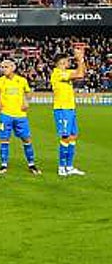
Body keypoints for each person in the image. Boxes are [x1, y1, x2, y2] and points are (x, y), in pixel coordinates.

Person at [0, 59, 40, 175]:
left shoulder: (22, 81)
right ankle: (3, 165)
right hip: (5, 115)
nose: (3, 69)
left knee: (26, 139)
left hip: (20, 116)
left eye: (6, 67)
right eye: (2, 67)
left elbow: (28, 93)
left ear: (13, 68)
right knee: (4, 140)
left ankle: (31, 164)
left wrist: (26, 102)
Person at [51, 43, 87, 177]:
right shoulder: (57, 73)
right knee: (65, 137)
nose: (68, 62)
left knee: (73, 136)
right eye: (66, 61)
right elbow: (78, 74)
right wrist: (79, 59)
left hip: (70, 108)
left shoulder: (66, 72)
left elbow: (81, 73)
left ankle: (69, 166)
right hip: (62, 109)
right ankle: (61, 167)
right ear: (60, 63)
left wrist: (81, 60)